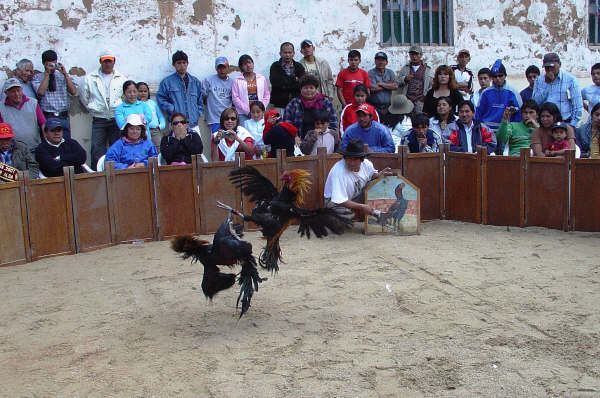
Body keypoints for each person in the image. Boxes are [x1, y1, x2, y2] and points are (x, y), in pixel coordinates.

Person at [79, 50, 127, 170]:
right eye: (105, 61)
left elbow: (125, 97)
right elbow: (84, 96)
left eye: (109, 61)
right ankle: (97, 173)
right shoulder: (90, 78)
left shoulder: (121, 78)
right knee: (97, 148)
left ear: (114, 62)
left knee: (116, 146)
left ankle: (116, 171)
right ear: (100, 62)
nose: (107, 64)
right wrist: (92, 107)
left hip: (115, 118)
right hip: (98, 118)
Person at [323, 138, 391, 216]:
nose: (351, 163)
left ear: (362, 160)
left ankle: (359, 214)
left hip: (353, 199)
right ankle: (356, 215)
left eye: (355, 159)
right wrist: (362, 207)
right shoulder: (338, 171)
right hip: (335, 204)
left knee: (375, 184)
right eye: (348, 159)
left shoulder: (366, 164)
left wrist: (380, 174)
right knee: (345, 217)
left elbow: (373, 176)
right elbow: (340, 200)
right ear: (344, 158)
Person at [31, 50, 78, 138]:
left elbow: (73, 91)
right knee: (49, 144)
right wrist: (47, 74)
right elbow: (40, 92)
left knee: (66, 144)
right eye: (49, 64)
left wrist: (65, 75)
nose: (52, 66)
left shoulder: (63, 76)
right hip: (48, 116)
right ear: (44, 63)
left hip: (63, 116)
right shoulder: (38, 77)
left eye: (54, 63)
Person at [156, 50, 204, 132]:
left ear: (187, 63)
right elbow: (161, 98)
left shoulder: (195, 82)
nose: (182, 65)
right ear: (174, 64)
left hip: (193, 124)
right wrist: (172, 109)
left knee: (195, 144)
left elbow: (200, 101)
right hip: (176, 124)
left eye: (184, 62)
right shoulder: (167, 82)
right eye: (179, 63)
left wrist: (197, 113)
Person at [532, 52, 583, 128]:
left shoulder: (571, 80)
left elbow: (577, 105)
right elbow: (535, 102)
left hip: (564, 123)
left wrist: (572, 125)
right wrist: (547, 85)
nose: (549, 70)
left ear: (559, 64)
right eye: (546, 67)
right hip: (545, 124)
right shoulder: (539, 81)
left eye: (552, 67)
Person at [283, 74, 338, 142]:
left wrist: (324, 135)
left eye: (311, 88)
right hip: (299, 141)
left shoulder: (325, 103)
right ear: (300, 89)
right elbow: (287, 123)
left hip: (322, 140)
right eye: (305, 88)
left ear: (316, 89)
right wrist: (295, 136)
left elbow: (333, 123)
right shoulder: (294, 103)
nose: (308, 90)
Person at [475, 59, 522, 137]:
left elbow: (518, 113)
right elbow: (479, 112)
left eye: (500, 75)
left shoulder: (512, 92)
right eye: (495, 76)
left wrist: (514, 130)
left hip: (505, 130)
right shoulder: (486, 92)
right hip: (487, 131)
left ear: (505, 76)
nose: (498, 78)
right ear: (491, 77)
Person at [0, 78, 46, 150]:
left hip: (35, 148)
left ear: (22, 90)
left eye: (18, 90)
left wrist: (47, 144)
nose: (17, 94)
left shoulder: (33, 103)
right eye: (13, 92)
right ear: (6, 93)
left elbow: (43, 124)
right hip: (14, 151)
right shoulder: (1, 107)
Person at [231, 54, 270, 125]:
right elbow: (235, 98)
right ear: (241, 67)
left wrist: (261, 108)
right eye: (245, 64)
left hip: (259, 113)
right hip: (243, 114)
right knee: (244, 134)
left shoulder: (261, 78)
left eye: (249, 62)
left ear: (253, 63)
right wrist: (248, 111)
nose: (248, 65)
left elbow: (266, 95)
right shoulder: (237, 80)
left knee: (260, 133)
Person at [269, 42, 305, 114]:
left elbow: (302, 84)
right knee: (280, 124)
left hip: (296, 103)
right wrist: (294, 80)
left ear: (293, 53)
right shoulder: (275, 66)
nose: (287, 55)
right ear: (280, 53)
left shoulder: (299, 66)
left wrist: (284, 82)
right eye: (285, 52)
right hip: (279, 104)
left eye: (290, 52)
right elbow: (276, 83)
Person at [397, 45, 434, 113]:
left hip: (421, 101)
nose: (414, 57)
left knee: (420, 119)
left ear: (421, 55)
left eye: (416, 54)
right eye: (412, 54)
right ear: (409, 55)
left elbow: (432, 85)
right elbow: (397, 82)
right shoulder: (405, 68)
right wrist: (405, 78)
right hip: (407, 100)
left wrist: (425, 96)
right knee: (407, 120)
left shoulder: (427, 69)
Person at [203, 57, 233, 133]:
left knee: (228, 142)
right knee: (216, 141)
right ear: (216, 68)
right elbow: (203, 96)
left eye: (224, 67)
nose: (222, 70)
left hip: (228, 119)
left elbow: (233, 100)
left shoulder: (233, 83)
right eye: (219, 68)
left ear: (228, 68)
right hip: (214, 119)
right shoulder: (208, 80)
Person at [367, 51, 398, 123]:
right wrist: (388, 84)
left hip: (388, 108)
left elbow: (395, 86)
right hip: (374, 107)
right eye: (378, 60)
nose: (380, 62)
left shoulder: (390, 72)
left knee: (387, 127)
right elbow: (372, 89)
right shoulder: (370, 73)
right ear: (375, 61)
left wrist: (381, 84)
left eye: (383, 60)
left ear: (386, 62)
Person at [137, 81, 166, 150]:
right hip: (141, 131)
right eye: (140, 91)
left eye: (145, 91)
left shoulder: (152, 103)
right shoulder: (136, 104)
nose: (143, 93)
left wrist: (161, 126)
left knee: (159, 147)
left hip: (155, 130)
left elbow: (160, 116)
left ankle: (158, 160)